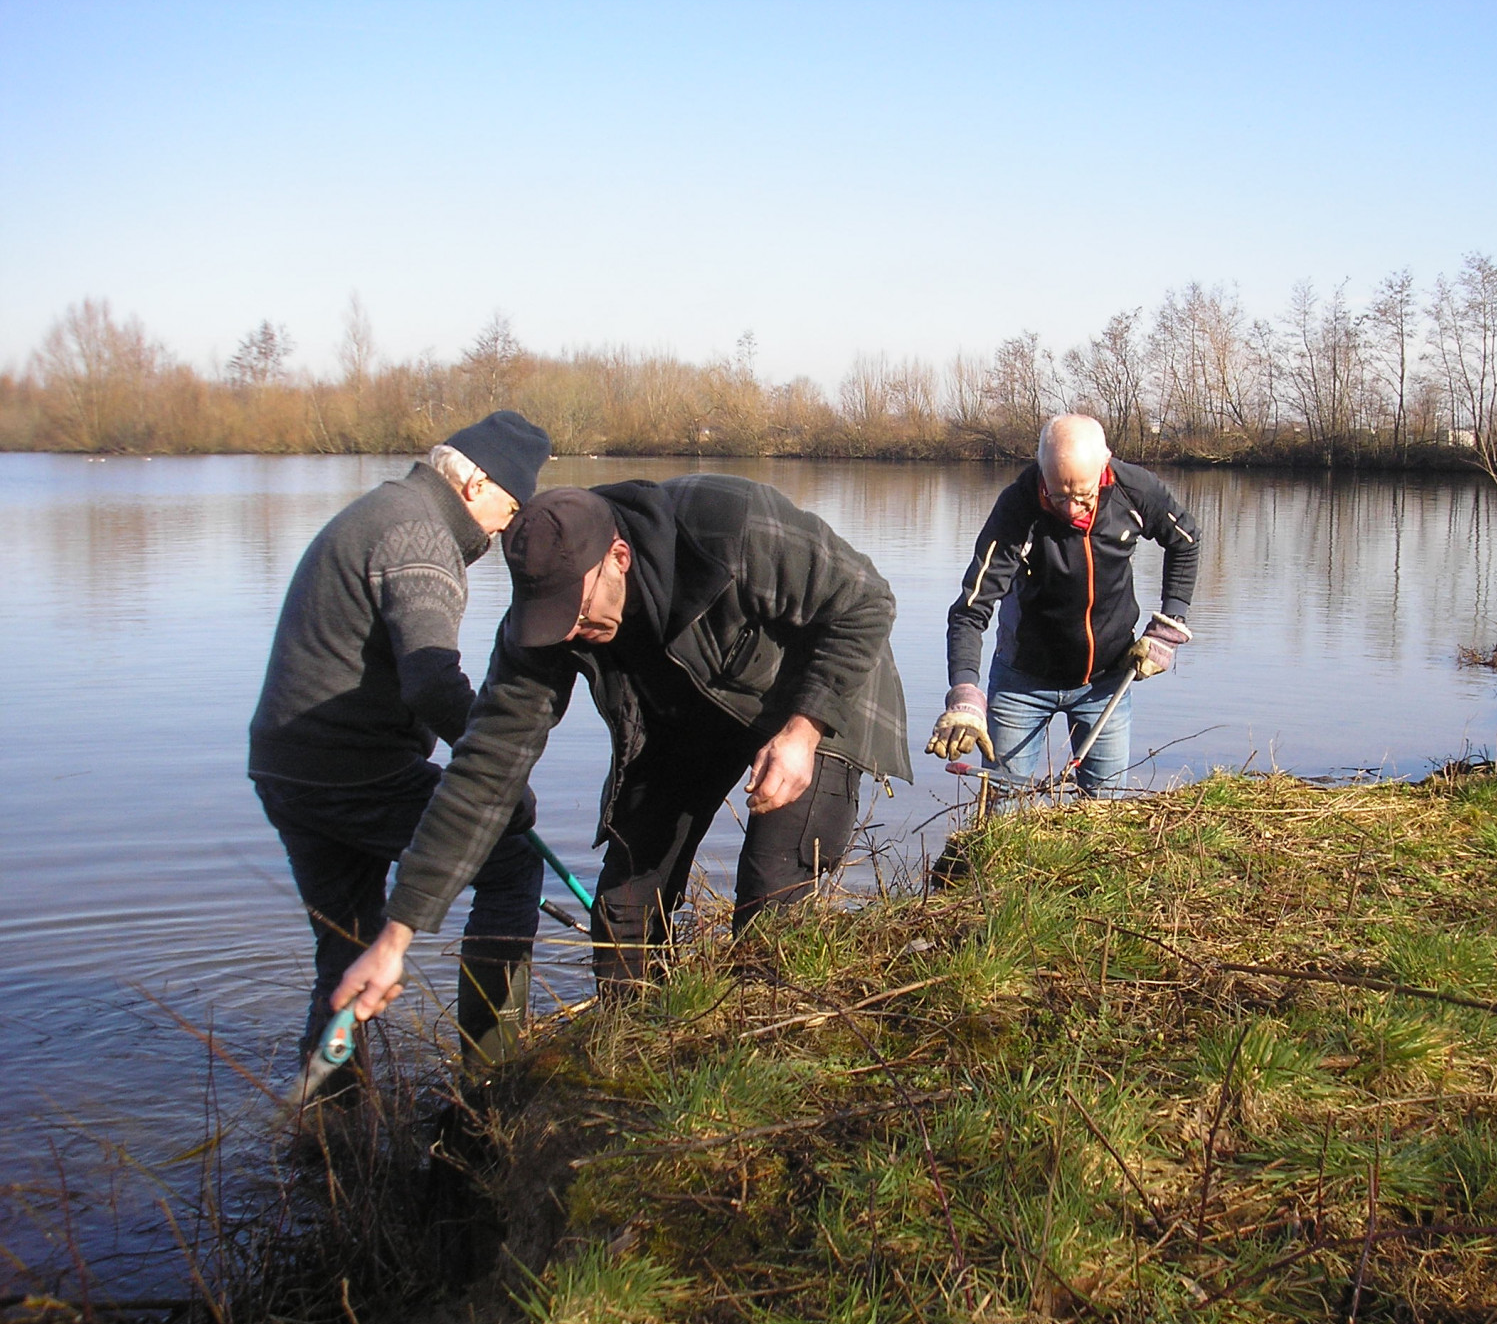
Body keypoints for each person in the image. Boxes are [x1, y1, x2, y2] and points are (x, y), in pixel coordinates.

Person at [329, 474, 913, 1022]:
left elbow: (866, 603)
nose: (570, 633)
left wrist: (801, 732)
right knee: (624, 907)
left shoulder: (731, 525)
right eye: (554, 623)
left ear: (619, 559)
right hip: (689, 712)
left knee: (771, 888)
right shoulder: (547, 616)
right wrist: (397, 935)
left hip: (820, 690)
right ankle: (633, 1045)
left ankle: (759, 1056)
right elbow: (485, 770)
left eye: (579, 616)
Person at [249, 410, 552, 1075]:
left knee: (347, 950)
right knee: (506, 857)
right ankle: (490, 1073)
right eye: (511, 503)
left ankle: (326, 1114)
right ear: (475, 485)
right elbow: (432, 680)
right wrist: (497, 773)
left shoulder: (387, 510)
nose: (510, 523)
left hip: (286, 768)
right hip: (351, 771)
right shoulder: (420, 536)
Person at [927, 413, 1200, 794]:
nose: (1071, 509)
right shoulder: (1017, 510)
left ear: (1105, 465)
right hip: (1020, 683)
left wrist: (1169, 628)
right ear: (1042, 471)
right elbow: (970, 611)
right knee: (1004, 813)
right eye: (1058, 495)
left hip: (1107, 682)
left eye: (1083, 496)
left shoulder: (1135, 490)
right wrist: (966, 695)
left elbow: (1185, 542)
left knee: (1103, 816)